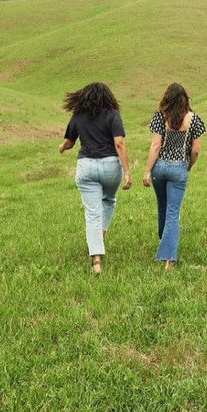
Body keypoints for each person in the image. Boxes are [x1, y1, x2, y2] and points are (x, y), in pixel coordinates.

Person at [59, 82, 131, 274]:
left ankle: (96, 260)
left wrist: (62, 148)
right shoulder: (113, 115)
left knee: (92, 213)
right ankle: (98, 237)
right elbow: (120, 143)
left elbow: (69, 142)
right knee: (109, 200)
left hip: (86, 167)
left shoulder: (78, 116)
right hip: (109, 167)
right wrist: (127, 172)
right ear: (108, 97)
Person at [143, 83, 206, 268]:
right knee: (173, 212)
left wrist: (147, 171)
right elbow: (195, 151)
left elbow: (155, 146)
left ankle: (166, 242)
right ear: (185, 99)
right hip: (179, 166)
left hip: (159, 167)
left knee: (162, 207)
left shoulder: (159, 117)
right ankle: (168, 258)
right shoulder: (194, 120)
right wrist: (188, 167)